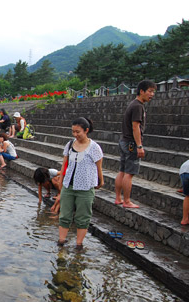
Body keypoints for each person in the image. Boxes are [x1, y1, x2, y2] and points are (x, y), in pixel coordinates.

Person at [57, 117, 104, 249]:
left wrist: (100, 181)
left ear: (86, 130)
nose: (75, 135)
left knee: (83, 217)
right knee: (65, 215)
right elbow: (65, 163)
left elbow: (98, 167)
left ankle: (79, 244)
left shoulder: (94, 147)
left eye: (78, 132)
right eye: (73, 132)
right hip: (69, 185)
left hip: (86, 186)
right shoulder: (70, 144)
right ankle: (61, 241)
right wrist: (61, 181)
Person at [114, 80, 156, 208]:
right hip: (131, 143)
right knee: (129, 173)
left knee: (122, 170)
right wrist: (139, 146)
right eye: (150, 91)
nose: (152, 94)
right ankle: (126, 201)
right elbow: (135, 127)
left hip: (124, 141)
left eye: (153, 92)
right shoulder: (138, 106)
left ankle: (118, 198)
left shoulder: (133, 104)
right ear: (141, 91)